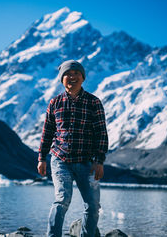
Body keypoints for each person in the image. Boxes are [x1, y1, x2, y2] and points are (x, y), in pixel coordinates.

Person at [37, 60, 108, 237]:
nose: (72, 77)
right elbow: (47, 133)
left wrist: (99, 161)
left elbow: (101, 133)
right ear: (62, 79)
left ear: (83, 78)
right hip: (60, 160)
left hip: (87, 162)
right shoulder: (55, 103)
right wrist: (41, 158)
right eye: (68, 74)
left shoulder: (94, 103)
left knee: (92, 206)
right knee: (61, 200)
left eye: (76, 73)